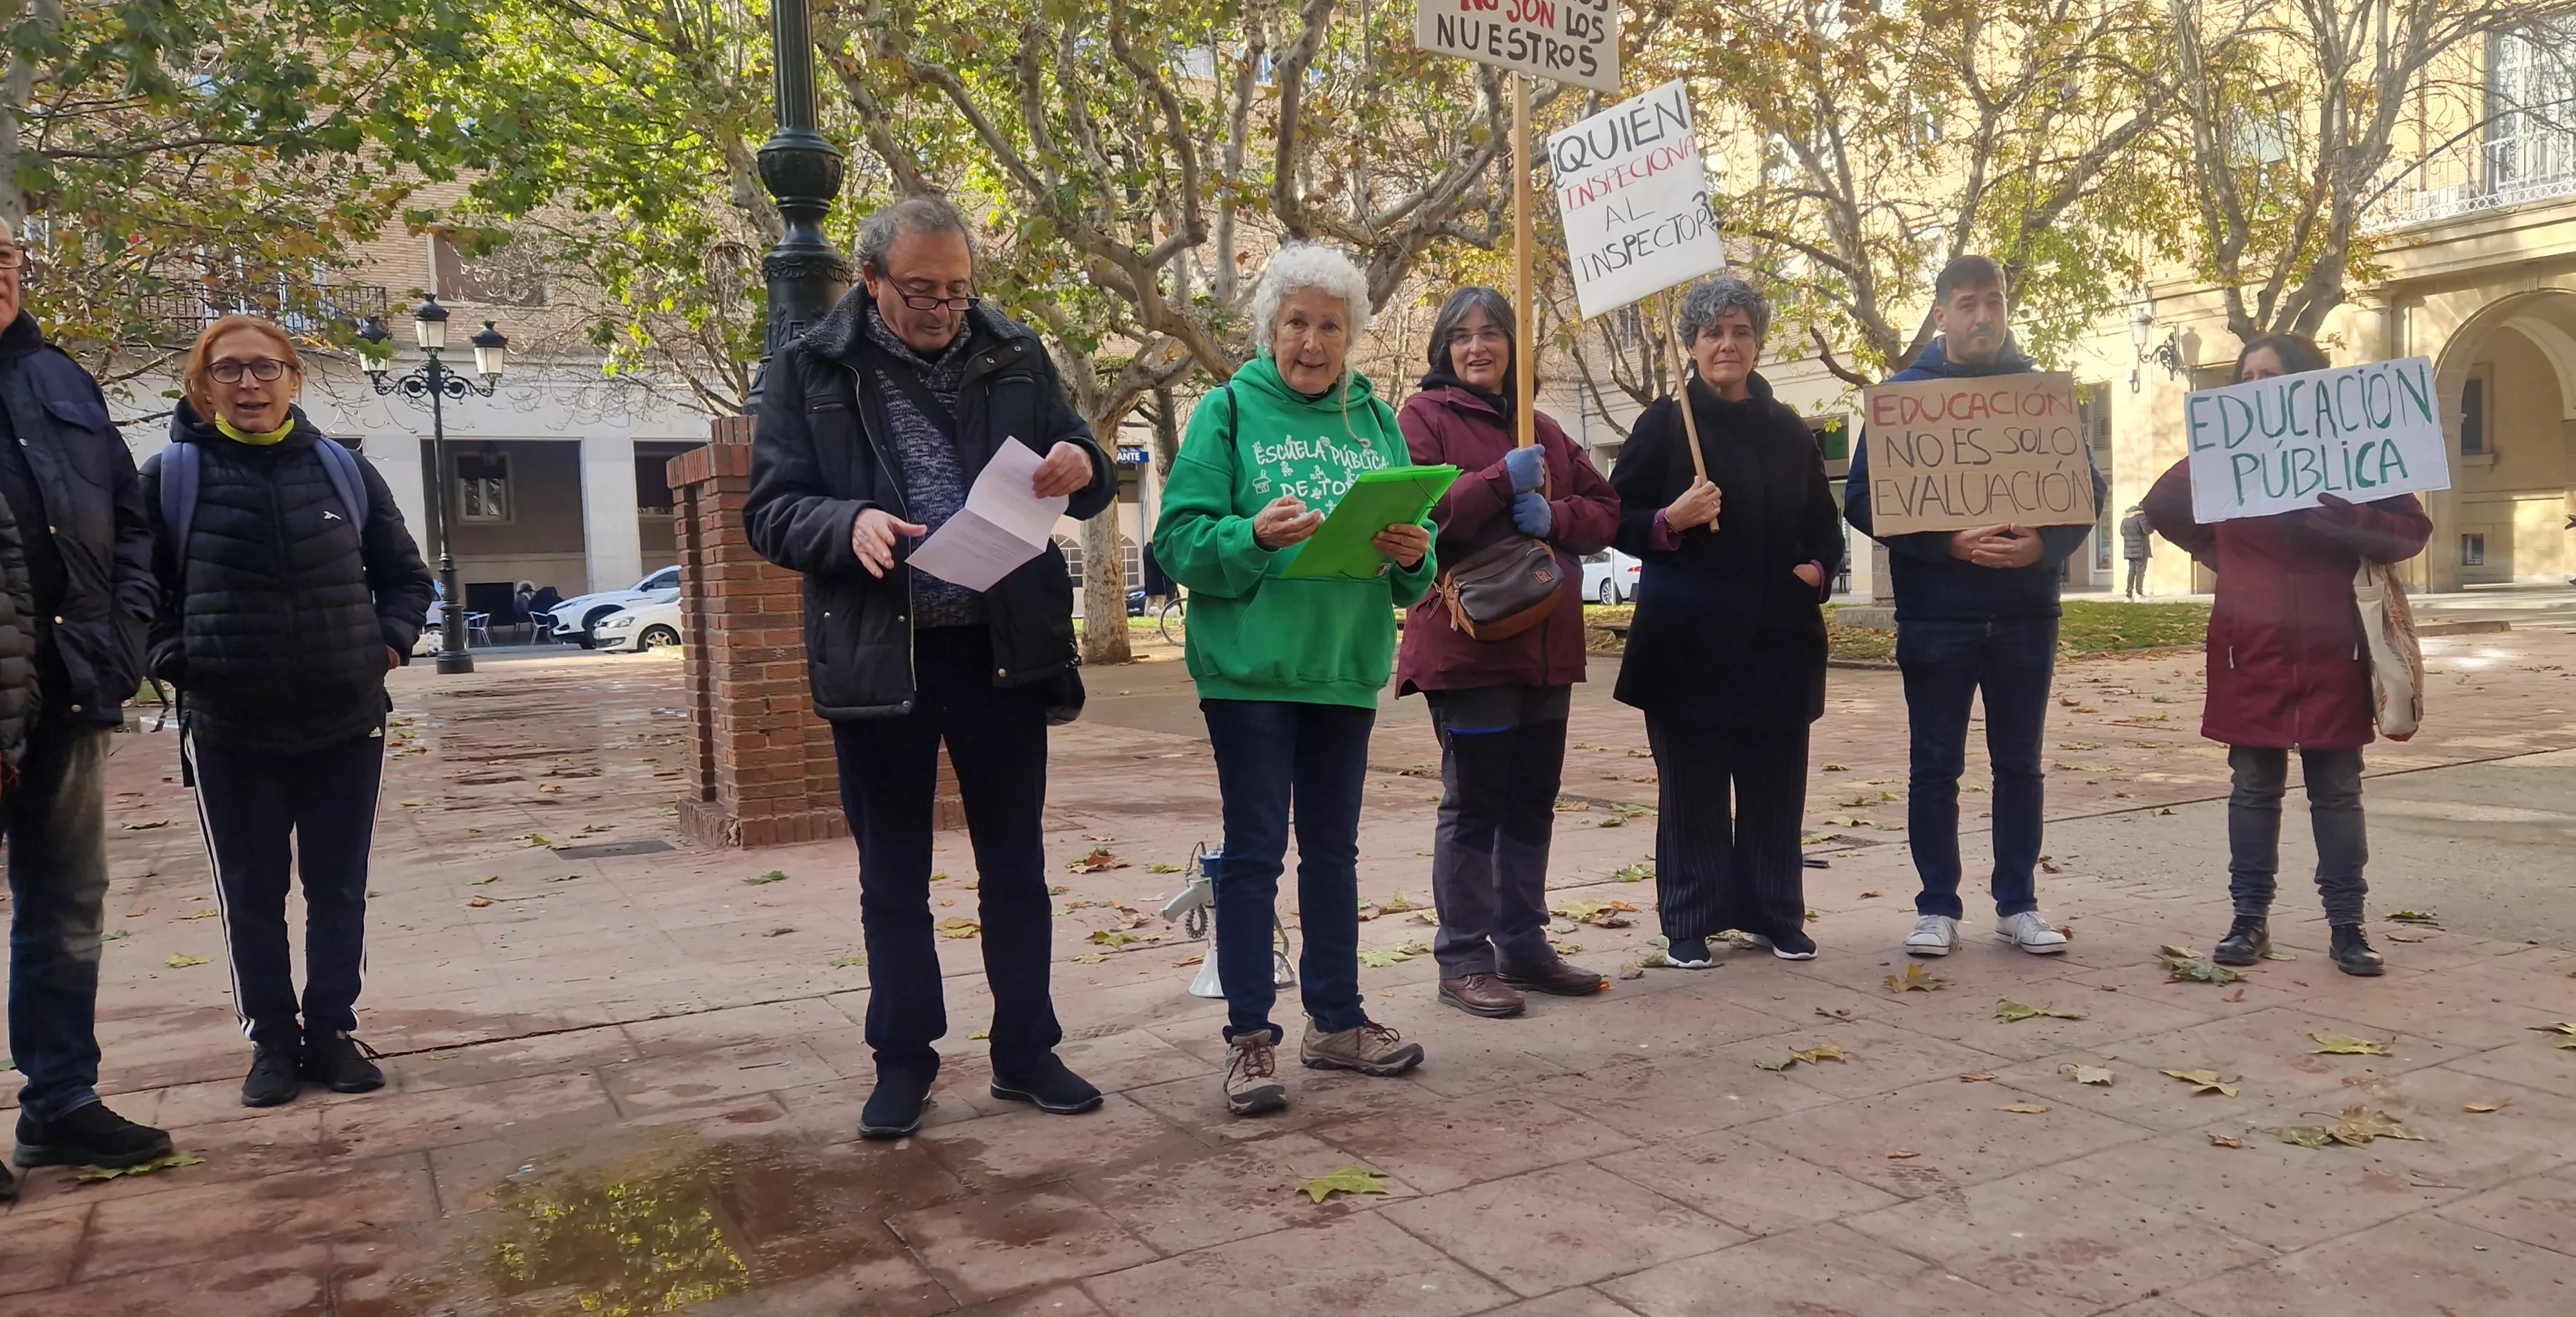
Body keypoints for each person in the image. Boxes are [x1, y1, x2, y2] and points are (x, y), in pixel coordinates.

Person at [746, 195, 1116, 1140]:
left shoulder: (1016, 350)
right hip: (882, 655)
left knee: (1016, 868)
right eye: (921, 291)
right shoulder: (809, 366)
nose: (943, 308)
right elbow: (771, 510)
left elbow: (1084, 459)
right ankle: (903, 1062)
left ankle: (1026, 1052)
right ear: (871, 280)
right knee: (893, 876)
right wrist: (845, 524)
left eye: (957, 290)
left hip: (1002, 649)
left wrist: (1080, 462)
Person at [1153, 242, 1438, 1116]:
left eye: (1330, 326)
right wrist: (1250, 536)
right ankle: (1249, 1038)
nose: (1312, 342)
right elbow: (1177, 541)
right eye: (1296, 323)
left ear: (1351, 336)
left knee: (1333, 854)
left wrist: (1414, 554)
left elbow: (1412, 572)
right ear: (1268, 329)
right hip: (1248, 674)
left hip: (1342, 669)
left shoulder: (1376, 421)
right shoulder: (1227, 410)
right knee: (1252, 856)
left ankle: (1336, 1023)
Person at [142, 316, 434, 1106]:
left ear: (294, 379)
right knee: (251, 894)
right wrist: (177, 660)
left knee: (338, 888)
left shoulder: (345, 471)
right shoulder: (169, 479)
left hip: (346, 721)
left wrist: (386, 647)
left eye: (265, 368)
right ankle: (271, 1043)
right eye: (229, 370)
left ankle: (331, 1033)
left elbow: (407, 579)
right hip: (230, 728)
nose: (249, 384)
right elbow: (137, 593)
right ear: (203, 386)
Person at [2141, 334, 2429, 977]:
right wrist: (2223, 555)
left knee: (2338, 791)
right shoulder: (2226, 452)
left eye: (2269, 376)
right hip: (2252, 648)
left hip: (2335, 646)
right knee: (2252, 788)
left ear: (2307, 385)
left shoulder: (2354, 450)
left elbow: (2413, 531)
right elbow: (2162, 504)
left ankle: (2348, 927)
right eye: (2246, 377)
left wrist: (2349, 522)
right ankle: (2249, 921)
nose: (2255, 388)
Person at [1845, 254, 2106, 959]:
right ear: (1940, 314)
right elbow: (1863, 500)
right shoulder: (1902, 400)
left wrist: (2044, 547)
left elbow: (2087, 491)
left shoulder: (2040, 395)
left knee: (2019, 764)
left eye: (1993, 301)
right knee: (1935, 766)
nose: (1983, 316)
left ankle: (2018, 905)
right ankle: (1936, 906)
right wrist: (1946, 544)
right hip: (1936, 616)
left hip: (2025, 614)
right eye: (1967, 304)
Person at [0, 218, 174, 1187]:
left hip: (68, 687)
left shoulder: (59, 378)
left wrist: (125, 637)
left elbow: (129, 518)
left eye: (4, 257)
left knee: (66, 905)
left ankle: (59, 1103)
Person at [1394, 286, 1619, 1017]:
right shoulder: (1422, 418)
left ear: (1513, 348)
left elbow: (1605, 513)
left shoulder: (1544, 428)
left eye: (1491, 333)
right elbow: (1420, 513)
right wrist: (1497, 482)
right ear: (1443, 348)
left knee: (1531, 801)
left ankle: (1522, 943)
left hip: (1546, 650)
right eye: (1462, 335)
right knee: (1474, 804)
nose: (1477, 347)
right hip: (1469, 650)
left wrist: (1553, 513)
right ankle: (1463, 957)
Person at [1609, 277, 1844, 967]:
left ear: (1758, 342)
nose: (1727, 344)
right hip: (1686, 645)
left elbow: (1823, 527)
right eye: (1712, 332)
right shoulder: (1663, 424)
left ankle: (1774, 912)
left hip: (1777, 640)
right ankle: (1691, 918)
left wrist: (1816, 570)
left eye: (1740, 331)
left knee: (1775, 785)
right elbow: (1612, 517)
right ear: (1691, 344)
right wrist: (1668, 519)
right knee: (1693, 789)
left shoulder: (1788, 430)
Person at [2121, 505, 2153, 599]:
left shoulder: (2125, 520)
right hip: (2141, 549)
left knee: (2131, 571)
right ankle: (2139, 593)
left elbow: (2122, 533)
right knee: (2140, 572)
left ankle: (2129, 594)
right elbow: (2147, 531)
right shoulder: (2141, 518)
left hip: (2129, 550)